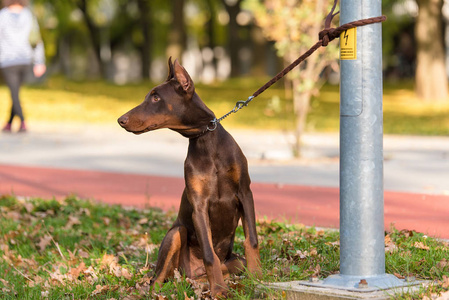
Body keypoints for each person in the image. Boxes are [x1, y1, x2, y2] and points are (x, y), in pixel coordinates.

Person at [0, 0, 46, 133]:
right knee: (15, 92)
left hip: (8, 60)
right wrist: (39, 61)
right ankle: (9, 123)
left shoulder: (2, 16)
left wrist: (39, 62)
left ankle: (22, 121)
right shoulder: (28, 15)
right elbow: (37, 40)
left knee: (15, 93)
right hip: (25, 59)